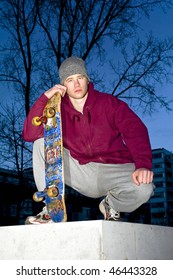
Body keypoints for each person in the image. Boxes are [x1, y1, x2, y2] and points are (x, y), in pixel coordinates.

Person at [22, 56, 154, 224]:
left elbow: (135, 129)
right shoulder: (57, 110)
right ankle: (51, 207)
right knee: (41, 143)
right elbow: (29, 134)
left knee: (145, 189)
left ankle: (111, 205)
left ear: (87, 79)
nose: (76, 84)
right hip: (79, 169)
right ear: (63, 85)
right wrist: (44, 98)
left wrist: (143, 164)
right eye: (70, 80)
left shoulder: (109, 103)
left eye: (80, 78)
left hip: (114, 169)